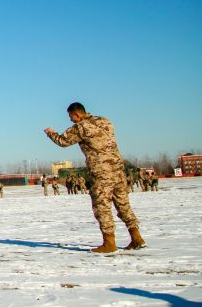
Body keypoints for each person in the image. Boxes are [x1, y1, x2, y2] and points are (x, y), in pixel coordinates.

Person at [45, 102, 145, 253]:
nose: (71, 120)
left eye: (71, 117)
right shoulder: (106, 121)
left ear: (76, 114)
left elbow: (63, 141)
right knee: (123, 204)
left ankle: (109, 243)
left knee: (102, 206)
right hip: (118, 169)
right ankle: (136, 237)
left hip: (101, 172)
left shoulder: (81, 127)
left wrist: (50, 133)